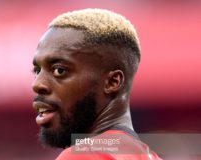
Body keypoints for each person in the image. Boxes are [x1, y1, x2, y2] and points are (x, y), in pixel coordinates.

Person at [31, 8, 161, 159]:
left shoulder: (84, 155)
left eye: (59, 71)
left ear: (112, 82)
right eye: (37, 70)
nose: (37, 84)